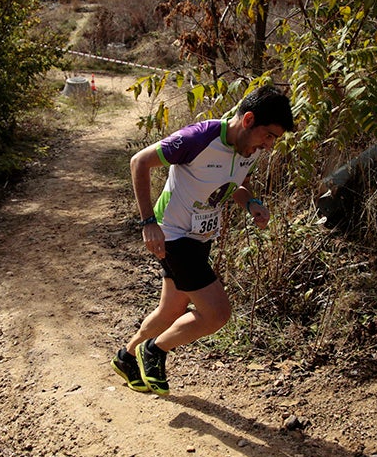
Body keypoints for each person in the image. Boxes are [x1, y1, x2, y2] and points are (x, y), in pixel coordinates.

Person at [111, 85, 294, 395]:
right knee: (217, 313)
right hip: (173, 233)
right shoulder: (199, 137)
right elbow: (139, 162)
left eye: (274, 139)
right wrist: (147, 222)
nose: (270, 145)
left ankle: (127, 357)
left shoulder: (250, 149)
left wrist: (252, 204)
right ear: (248, 120)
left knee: (171, 309)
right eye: (269, 136)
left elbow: (237, 184)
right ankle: (155, 350)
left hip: (200, 237)